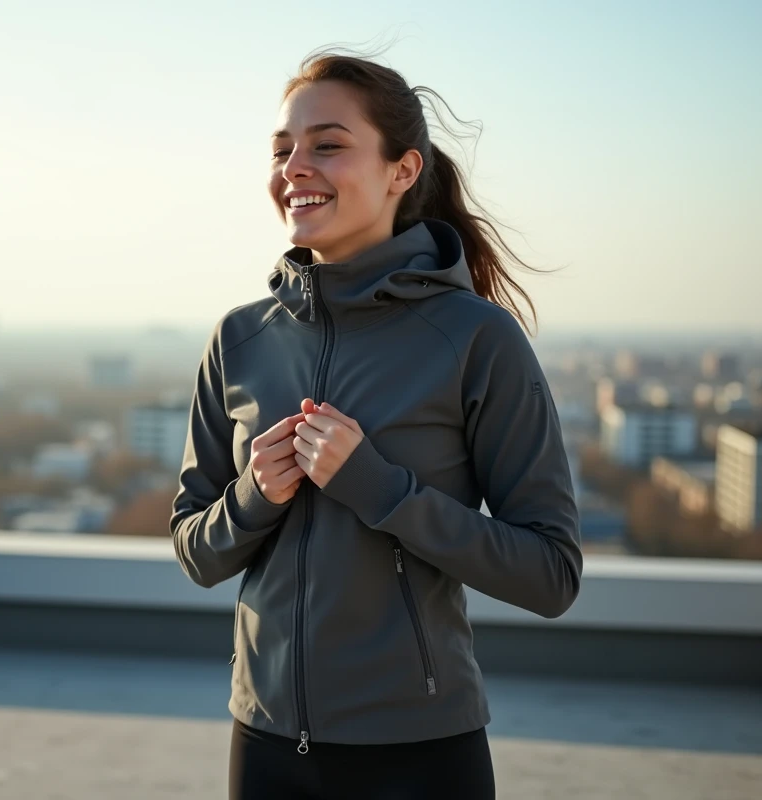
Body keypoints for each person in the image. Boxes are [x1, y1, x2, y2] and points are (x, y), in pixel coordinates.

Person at [170, 49, 582, 800]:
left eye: (327, 144)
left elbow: (551, 574)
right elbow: (195, 551)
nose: (295, 166)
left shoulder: (475, 339)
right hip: (264, 744)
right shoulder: (240, 339)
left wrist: (382, 491)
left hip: (419, 754)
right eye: (281, 150)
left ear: (402, 170)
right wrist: (255, 496)